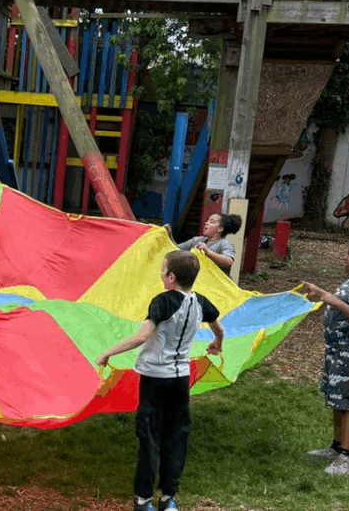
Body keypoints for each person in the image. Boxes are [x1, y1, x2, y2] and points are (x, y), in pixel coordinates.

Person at [96, 251, 223, 511]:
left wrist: (108, 352)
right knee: (176, 435)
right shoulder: (200, 302)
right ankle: (168, 498)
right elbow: (217, 327)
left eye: (162, 270)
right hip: (180, 379)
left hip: (155, 378)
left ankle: (143, 499)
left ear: (171, 277)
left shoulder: (163, 302)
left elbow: (142, 336)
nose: (161, 274)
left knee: (149, 435)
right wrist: (217, 343)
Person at [303, 237, 349, 477]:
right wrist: (322, 293)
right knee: (338, 398)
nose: (344, 258)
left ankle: (346, 458)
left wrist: (335, 302)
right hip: (338, 352)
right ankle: (336, 448)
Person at [168, 213, 242, 275]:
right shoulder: (197, 240)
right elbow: (177, 249)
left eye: (211, 222)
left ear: (220, 229)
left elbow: (229, 262)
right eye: (207, 221)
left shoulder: (225, 243)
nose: (206, 223)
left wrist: (207, 252)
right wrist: (169, 235)